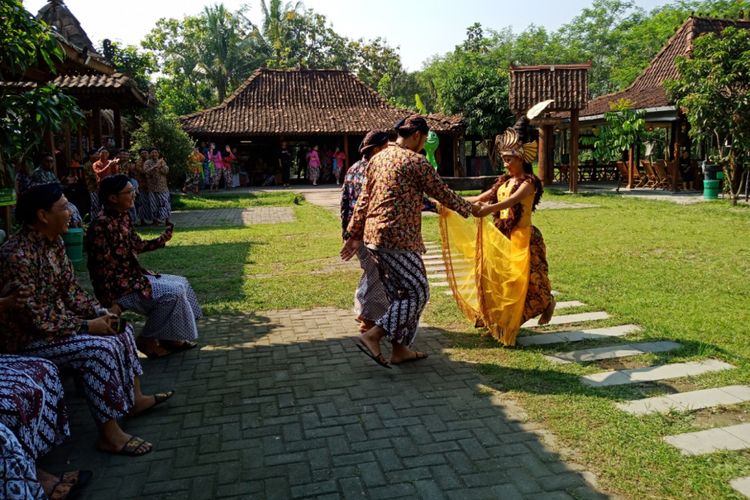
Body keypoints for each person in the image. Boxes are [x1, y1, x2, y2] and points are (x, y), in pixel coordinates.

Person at [0, 183, 173, 457]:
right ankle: (109, 434)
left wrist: (99, 313)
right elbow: (33, 318)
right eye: (64, 207)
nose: (71, 212)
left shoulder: (54, 242)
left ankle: (133, 399)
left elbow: (71, 290)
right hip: (31, 340)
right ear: (43, 216)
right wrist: (86, 327)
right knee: (98, 350)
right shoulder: (17, 255)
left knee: (121, 329)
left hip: (59, 327)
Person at [341, 115, 482, 368]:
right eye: (425, 139)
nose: (423, 144)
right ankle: (373, 336)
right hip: (398, 239)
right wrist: (472, 209)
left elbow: (363, 200)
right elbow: (442, 193)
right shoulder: (416, 161)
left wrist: (353, 234)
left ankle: (400, 349)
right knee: (418, 292)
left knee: (400, 295)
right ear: (417, 135)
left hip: (374, 238)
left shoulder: (378, 157)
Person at [440, 115, 555, 346]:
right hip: (501, 238)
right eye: (503, 159)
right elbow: (481, 198)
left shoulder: (529, 183)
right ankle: (495, 319)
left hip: (523, 239)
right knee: (495, 279)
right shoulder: (503, 181)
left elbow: (509, 203)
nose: (505, 164)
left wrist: (488, 208)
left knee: (526, 281)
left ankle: (546, 303)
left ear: (521, 158)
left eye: (509, 159)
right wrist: (451, 202)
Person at [86, 175, 201, 359]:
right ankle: (146, 339)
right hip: (120, 287)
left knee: (182, 283)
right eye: (129, 192)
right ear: (113, 198)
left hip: (133, 278)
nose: (135, 195)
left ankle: (170, 337)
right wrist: (113, 302)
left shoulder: (122, 217)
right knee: (172, 294)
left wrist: (162, 239)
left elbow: (136, 245)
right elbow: (98, 268)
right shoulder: (101, 226)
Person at [340, 131, 390, 334]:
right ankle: (368, 321)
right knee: (378, 274)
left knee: (371, 272)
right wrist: (355, 236)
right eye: (386, 148)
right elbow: (366, 206)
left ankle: (363, 310)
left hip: (356, 232)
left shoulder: (353, 168)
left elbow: (344, 204)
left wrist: (347, 232)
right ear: (377, 149)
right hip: (366, 234)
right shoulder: (373, 170)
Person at [143, 148, 170, 225]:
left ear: (158, 154)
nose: (154, 154)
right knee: (154, 205)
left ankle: (167, 221)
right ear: (150, 154)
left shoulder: (162, 161)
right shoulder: (147, 162)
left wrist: (161, 167)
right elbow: (145, 171)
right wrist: (154, 167)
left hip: (163, 187)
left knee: (165, 203)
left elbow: (166, 171)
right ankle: (155, 221)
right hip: (152, 187)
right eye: (152, 152)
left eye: (156, 152)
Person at [82, 149, 101, 217]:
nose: (98, 156)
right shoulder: (87, 165)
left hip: (99, 187)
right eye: (96, 154)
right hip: (91, 187)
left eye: (98, 154)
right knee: (94, 205)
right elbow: (93, 176)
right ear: (90, 155)